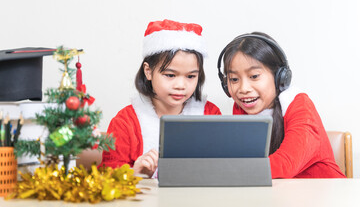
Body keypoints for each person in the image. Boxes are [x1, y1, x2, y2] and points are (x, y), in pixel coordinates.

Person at [100, 19, 221, 177]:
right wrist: (134, 174)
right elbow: (107, 174)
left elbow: (222, 166)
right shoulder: (125, 122)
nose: (180, 85)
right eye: (170, 75)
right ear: (148, 71)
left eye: (191, 76)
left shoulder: (210, 114)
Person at [217, 32, 345, 178]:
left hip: (324, 196)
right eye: (234, 79)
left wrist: (223, 171)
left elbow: (285, 165)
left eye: (254, 76)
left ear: (280, 77)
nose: (243, 88)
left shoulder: (300, 106)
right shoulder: (243, 107)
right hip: (279, 196)